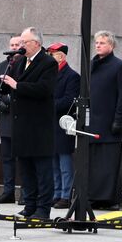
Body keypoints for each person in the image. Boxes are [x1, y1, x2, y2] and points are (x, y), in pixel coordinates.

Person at [0, 27, 57, 219]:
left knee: (42, 171)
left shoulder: (48, 63)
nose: (21, 46)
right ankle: (29, 205)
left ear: (36, 43)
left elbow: (45, 89)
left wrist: (17, 85)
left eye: (24, 43)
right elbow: (4, 87)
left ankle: (43, 209)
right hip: (21, 126)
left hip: (39, 127)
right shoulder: (19, 63)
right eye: (20, 43)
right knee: (26, 170)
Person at [87, 31, 122, 210]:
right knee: (94, 163)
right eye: (96, 42)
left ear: (111, 46)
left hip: (110, 122)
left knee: (109, 163)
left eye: (102, 43)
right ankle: (94, 196)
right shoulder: (91, 65)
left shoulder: (119, 66)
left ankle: (110, 199)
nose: (98, 45)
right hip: (93, 121)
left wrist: (118, 119)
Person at [47, 42, 80, 209]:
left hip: (63, 124)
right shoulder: (49, 74)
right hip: (50, 124)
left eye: (52, 54)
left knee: (64, 163)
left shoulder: (72, 76)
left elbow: (69, 100)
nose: (49, 57)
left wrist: (48, 104)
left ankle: (66, 195)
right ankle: (56, 193)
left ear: (61, 56)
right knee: (53, 163)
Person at [0, 35, 24, 204]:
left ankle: (25, 192)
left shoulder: (26, 65)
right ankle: (8, 191)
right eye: (11, 45)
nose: (13, 48)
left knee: (21, 157)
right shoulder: (3, 65)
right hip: (5, 117)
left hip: (19, 117)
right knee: (6, 157)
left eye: (17, 45)